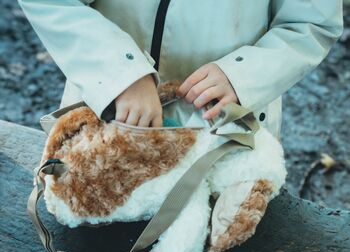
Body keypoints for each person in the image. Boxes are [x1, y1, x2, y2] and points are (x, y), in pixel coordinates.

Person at [18, 0, 343, 139]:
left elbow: (311, 21)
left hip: (224, 126)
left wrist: (242, 75)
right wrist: (119, 73)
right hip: (105, 108)